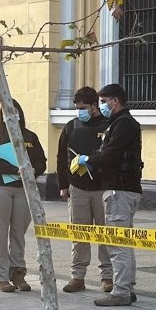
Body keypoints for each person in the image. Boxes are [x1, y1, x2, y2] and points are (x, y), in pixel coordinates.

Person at [70, 83, 142, 307]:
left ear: (115, 101)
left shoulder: (123, 124)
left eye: (104, 101)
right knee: (124, 242)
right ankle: (126, 286)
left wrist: (88, 159)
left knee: (117, 244)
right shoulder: (121, 123)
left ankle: (120, 291)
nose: (102, 106)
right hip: (124, 188)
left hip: (119, 190)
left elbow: (110, 155)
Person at [0, 99, 46, 292]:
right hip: (0, 187)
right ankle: (0, 277)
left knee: (19, 233)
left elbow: (41, 161)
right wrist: (13, 169)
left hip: (22, 188)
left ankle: (18, 273)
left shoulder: (30, 136)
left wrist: (32, 170)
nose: (12, 115)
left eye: (15, 111)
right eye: (8, 111)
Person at [56, 86, 112, 293]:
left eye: (83, 107)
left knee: (105, 234)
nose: (80, 111)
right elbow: (61, 157)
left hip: (102, 188)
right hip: (77, 187)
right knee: (79, 234)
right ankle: (77, 276)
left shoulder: (108, 125)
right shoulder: (71, 127)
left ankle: (107, 277)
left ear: (94, 106)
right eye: (77, 108)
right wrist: (63, 185)